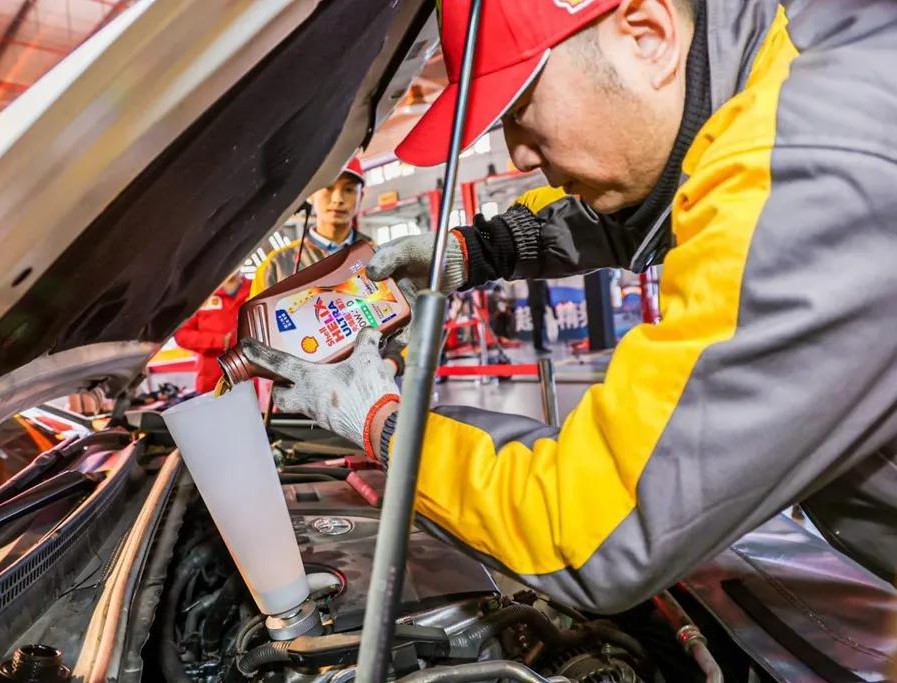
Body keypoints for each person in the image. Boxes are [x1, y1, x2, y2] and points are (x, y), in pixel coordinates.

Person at [239, 0, 897, 612]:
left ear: (648, 36)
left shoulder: (805, 170)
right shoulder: (791, 75)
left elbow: (590, 523)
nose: (517, 151)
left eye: (522, 107)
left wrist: (384, 420)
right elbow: (650, 207)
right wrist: (482, 249)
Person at [252, 157, 372, 294]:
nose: (338, 199)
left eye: (349, 190)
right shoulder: (276, 264)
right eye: (328, 187)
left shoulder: (376, 254)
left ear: (360, 197)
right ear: (310, 194)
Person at [174, 271, 250, 393]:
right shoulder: (201, 295)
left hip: (252, 379)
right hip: (213, 381)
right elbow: (182, 335)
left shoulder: (256, 289)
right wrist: (221, 341)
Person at [525, 278, 551, 353]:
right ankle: (539, 345)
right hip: (537, 303)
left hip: (537, 303)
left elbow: (546, 290)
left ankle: (538, 344)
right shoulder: (537, 278)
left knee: (538, 326)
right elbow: (545, 290)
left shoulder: (531, 277)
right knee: (537, 326)